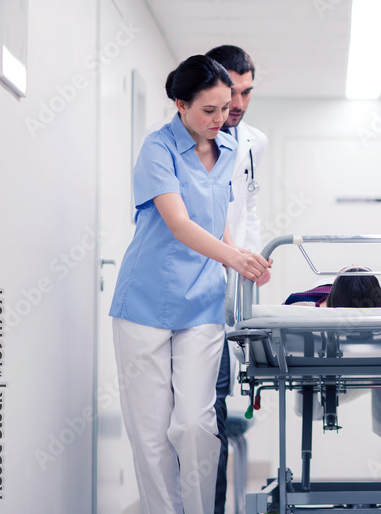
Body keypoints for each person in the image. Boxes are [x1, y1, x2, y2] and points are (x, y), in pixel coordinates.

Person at [108, 55, 272, 514]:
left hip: (202, 301)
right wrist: (235, 259)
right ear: (181, 105)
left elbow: (217, 220)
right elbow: (179, 223)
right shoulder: (157, 149)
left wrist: (244, 260)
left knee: (196, 424)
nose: (222, 118)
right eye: (210, 110)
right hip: (145, 301)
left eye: (227, 107)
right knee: (151, 431)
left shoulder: (231, 150)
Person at [204, 44, 270, 514]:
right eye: (232, 91)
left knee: (215, 412)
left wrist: (255, 260)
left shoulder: (254, 142)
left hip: (230, 293)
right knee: (194, 418)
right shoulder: (186, 141)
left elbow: (248, 208)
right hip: (192, 288)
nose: (240, 103)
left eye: (247, 91)